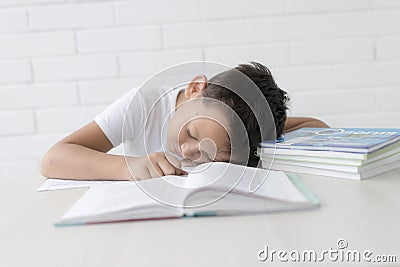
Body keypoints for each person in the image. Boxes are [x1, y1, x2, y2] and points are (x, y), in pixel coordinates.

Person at [40, 62, 329, 181]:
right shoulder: (143, 105)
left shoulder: (251, 129)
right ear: (194, 89)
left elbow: (316, 127)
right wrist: (131, 167)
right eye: (191, 132)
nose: (190, 152)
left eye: (212, 154)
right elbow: (53, 159)